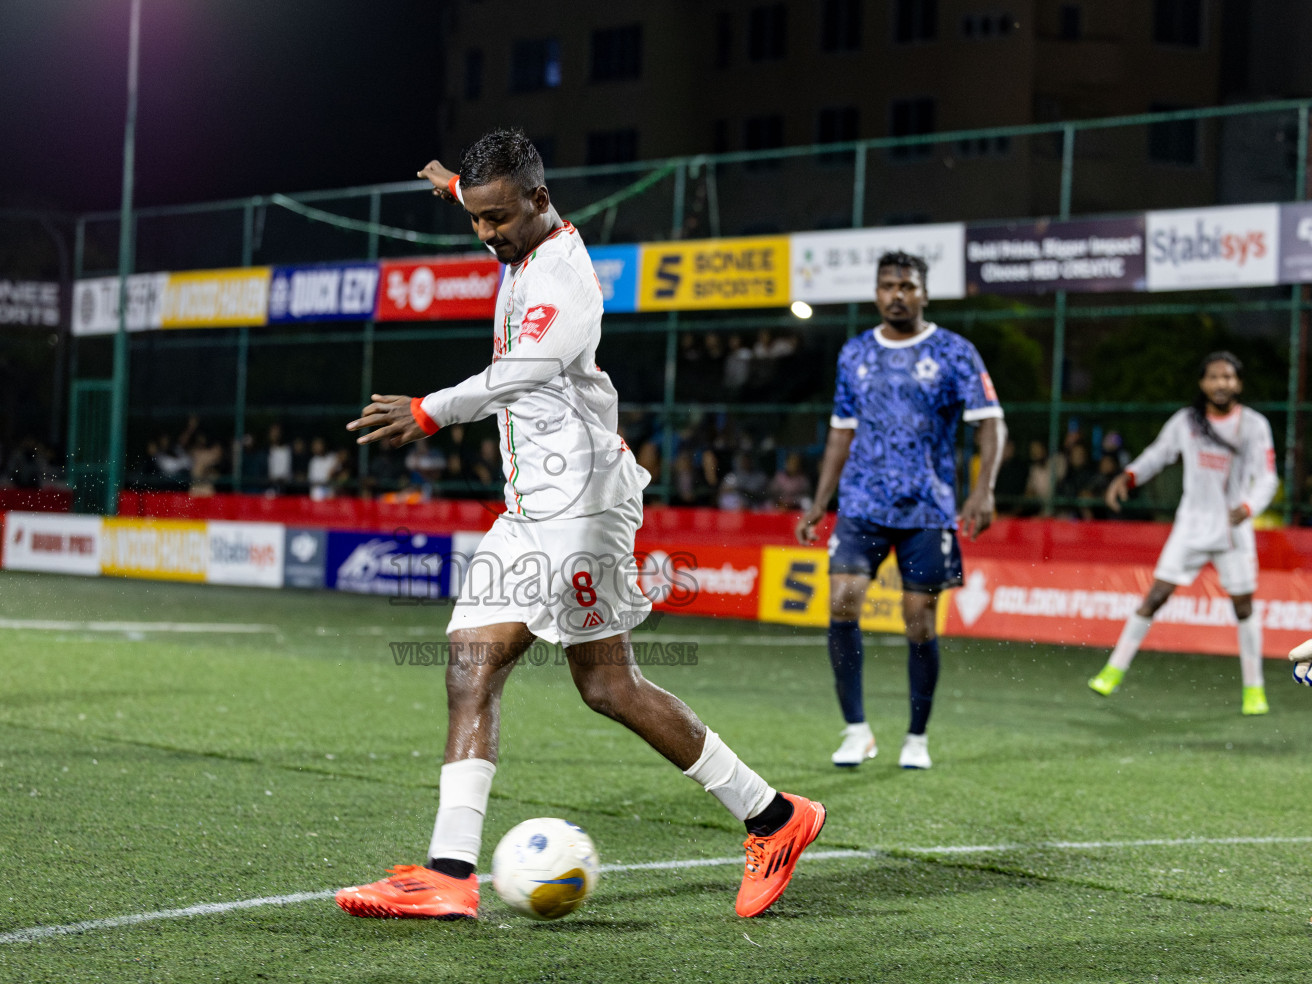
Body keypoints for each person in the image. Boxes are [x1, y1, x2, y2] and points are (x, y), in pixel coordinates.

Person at [335, 128, 826, 922]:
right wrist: (457, 188)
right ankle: (453, 874)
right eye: (476, 218)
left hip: (582, 511)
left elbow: (521, 372)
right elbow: (489, 200)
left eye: (498, 218)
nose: (486, 234)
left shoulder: (564, 278)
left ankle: (772, 818)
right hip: (534, 510)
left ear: (540, 199)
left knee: (571, 678)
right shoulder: (515, 228)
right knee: (527, 674)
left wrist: (429, 411)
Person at [797, 251, 1005, 770]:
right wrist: (820, 501)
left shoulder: (955, 351)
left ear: (924, 294)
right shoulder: (855, 353)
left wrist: (983, 490)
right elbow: (841, 432)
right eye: (888, 286)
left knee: (919, 622)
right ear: (876, 293)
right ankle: (856, 730)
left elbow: (990, 421)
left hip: (927, 509)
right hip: (862, 503)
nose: (897, 295)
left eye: (907, 286)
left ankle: (916, 736)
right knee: (842, 601)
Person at [1086, 352, 1278, 715]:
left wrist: (1250, 507)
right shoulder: (1186, 421)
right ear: (1202, 383)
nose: (1221, 383)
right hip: (1190, 525)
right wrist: (1128, 476)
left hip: (1234, 529)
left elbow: (1268, 477)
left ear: (1239, 383)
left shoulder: (1254, 425)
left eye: (1228, 377)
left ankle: (1254, 690)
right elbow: (1158, 454)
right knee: (1155, 596)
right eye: (1214, 377)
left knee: (1243, 606)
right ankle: (1112, 672)